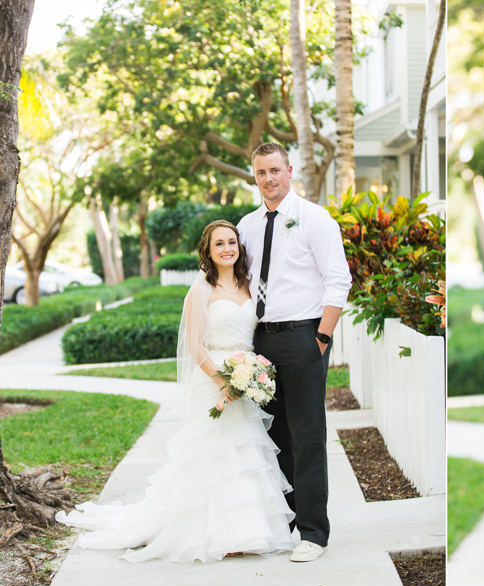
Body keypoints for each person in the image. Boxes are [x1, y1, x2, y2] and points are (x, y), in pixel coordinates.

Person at [56, 220, 295, 562]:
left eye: (232, 242)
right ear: (208, 252)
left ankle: (246, 532)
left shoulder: (249, 286)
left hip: (244, 378)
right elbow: (196, 346)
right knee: (211, 451)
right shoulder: (201, 290)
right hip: (213, 379)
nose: (227, 248)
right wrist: (224, 382)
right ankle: (207, 532)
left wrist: (250, 377)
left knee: (244, 454)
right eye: (219, 244)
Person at [237, 142, 351, 563]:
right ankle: (281, 524)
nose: (268, 179)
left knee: (307, 437)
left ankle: (313, 533)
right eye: (261, 173)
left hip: (305, 337)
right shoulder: (247, 225)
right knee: (273, 436)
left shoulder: (314, 219)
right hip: (261, 341)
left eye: (275, 170)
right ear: (255, 177)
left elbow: (338, 280)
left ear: (289, 170)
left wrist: (320, 339)